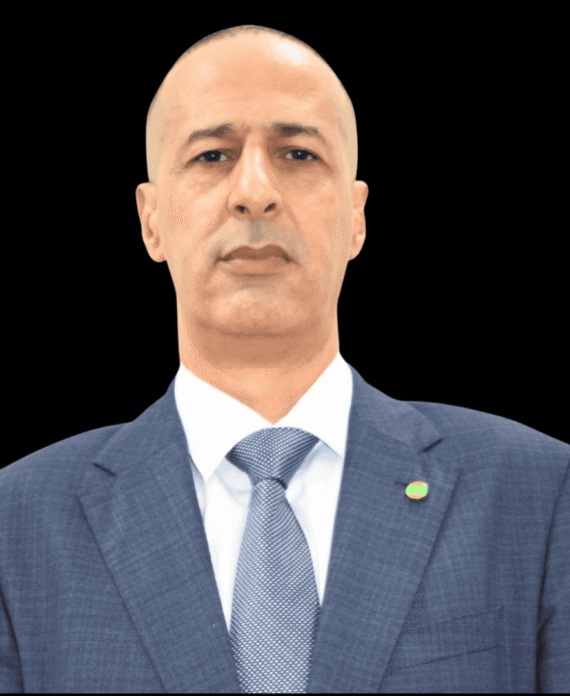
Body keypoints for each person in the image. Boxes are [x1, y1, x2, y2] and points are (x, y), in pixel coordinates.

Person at [0, 24, 568, 694]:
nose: (254, 191)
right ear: (151, 221)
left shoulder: (536, 492)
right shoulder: (18, 523)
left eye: (298, 153)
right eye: (212, 155)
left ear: (356, 217)